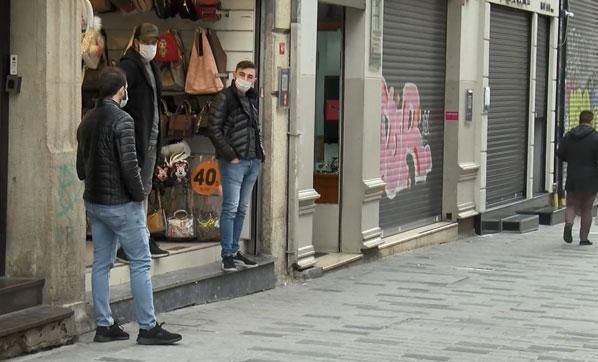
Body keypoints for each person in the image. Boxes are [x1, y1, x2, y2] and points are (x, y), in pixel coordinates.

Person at [76, 68, 182, 345]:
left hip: (95, 202)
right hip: (122, 204)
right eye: (125, 89)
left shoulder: (86, 120)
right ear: (121, 89)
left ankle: (104, 325)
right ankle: (147, 327)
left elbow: (80, 169)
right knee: (140, 261)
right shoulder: (123, 120)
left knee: (101, 263)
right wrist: (140, 194)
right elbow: (129, 166)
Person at [117, 23, 169, 260]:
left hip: (151, 137)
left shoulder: (152, 66)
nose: (151, 46)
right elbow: (120, 101)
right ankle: (130, 243)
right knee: (134, 191)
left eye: (154, 42)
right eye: (147, 42)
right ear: (136, 41)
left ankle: (142, 237)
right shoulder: (129, 66)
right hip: (137, 137)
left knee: (144, 190)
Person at [208, 60, 264, 272]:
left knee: (241, 208)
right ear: (235, 74)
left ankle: (234, 250)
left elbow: (255, 128)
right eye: (243, 75)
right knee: (230, 208)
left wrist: (259, 156)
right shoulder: (225, 97)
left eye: (250, 77)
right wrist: (230, 155)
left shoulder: (252, 97)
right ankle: (226, 255)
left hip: (252, 161)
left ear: (254, 79)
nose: (246, 80)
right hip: (234, 162)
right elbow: (213, 129)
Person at [557, 110, 598, 246]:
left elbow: (560, 154)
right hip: (591, 178)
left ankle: (568, 224)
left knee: (571, 205)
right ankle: (583, 239)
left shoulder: (569, 135)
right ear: (591, 121)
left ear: (579, 120)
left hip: (573, 176)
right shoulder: (595, 137)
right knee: (587, 208)